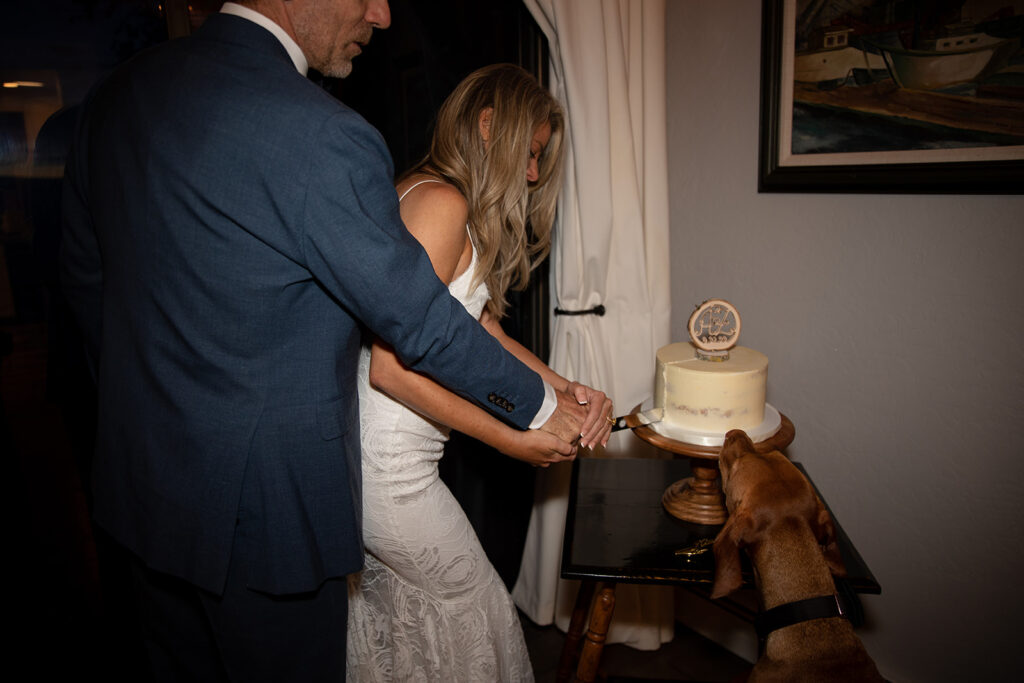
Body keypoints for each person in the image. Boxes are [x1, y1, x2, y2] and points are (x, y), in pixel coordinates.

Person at [59, 2, 612, 680]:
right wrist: (534, 411)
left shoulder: (113, 98)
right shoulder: (323, 132)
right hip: (269, 518)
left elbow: (89, 295)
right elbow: (414, 324)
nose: (381, 14)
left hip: (137, 493)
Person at [346, 64, 610, 682]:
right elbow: (389, 370)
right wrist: (512, 439)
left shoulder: (442, 198)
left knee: (414, 622)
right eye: (532, 152)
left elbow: (482, 328)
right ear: (489, 126)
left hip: (402, 459)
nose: (535, 174)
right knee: (478, 604)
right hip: (388, 465)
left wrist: (564, 388)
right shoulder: (441, 204)